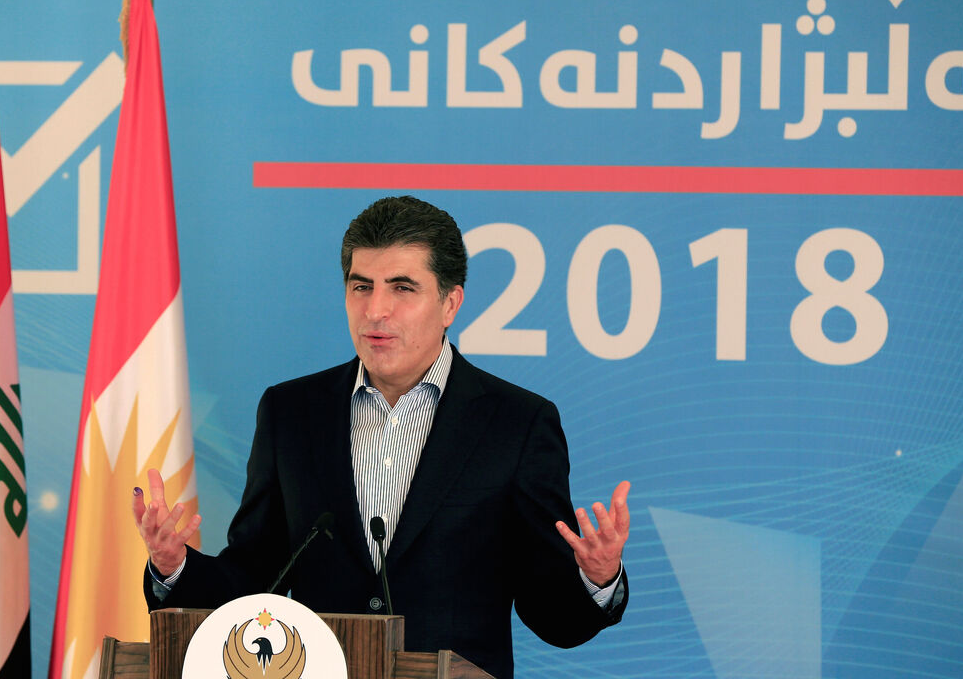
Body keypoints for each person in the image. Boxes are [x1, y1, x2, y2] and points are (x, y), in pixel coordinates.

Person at [132, 196, 630, 679]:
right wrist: (175, 566)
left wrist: (596, 578)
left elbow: (553, 617)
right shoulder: (291, 413)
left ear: (450, 302)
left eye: (402, 288)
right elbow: (253, 583)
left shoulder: (517, 424)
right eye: (361, 286)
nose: (375, 310)